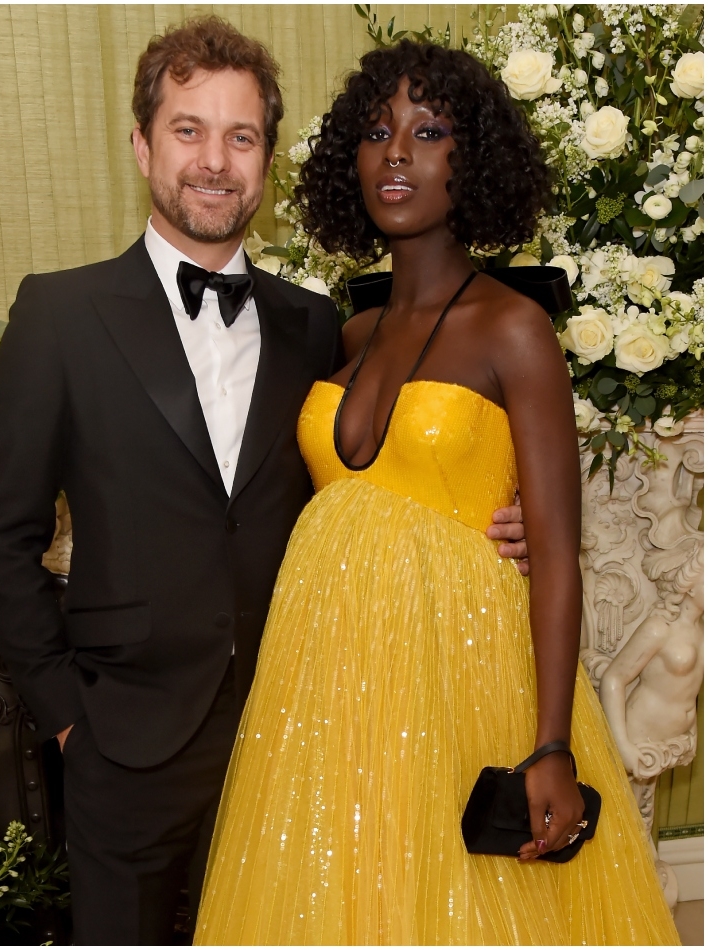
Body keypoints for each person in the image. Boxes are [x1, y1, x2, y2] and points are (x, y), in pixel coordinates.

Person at [0, 19, 528, 947]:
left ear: (267, 157)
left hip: (307, 726)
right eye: (189, 130)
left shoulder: (321, 327)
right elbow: (4, 536)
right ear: (143, 143)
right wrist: (71, 722)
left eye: (241, 137)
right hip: (126, 747)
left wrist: (499, 522)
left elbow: (367, 491)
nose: (215, 163)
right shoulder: (59, 314)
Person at [195, 41, 681, 945]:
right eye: (378, 133)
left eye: (429, 132)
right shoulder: (351, 330)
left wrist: (550, 744)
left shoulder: (515, 329)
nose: (397, 154)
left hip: (464, 678)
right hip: (329, 691)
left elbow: (555, 555)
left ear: (475, 158)